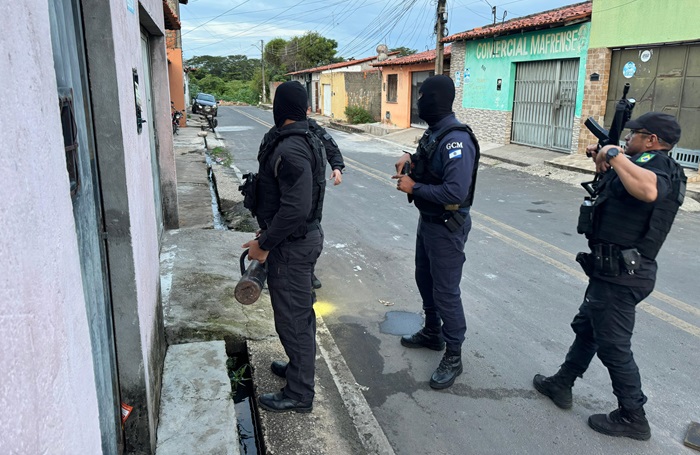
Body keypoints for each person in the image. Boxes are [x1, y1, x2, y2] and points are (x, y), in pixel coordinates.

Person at [533, 112, 686, 440]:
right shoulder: (640, 164)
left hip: (623, 275)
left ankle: (633, 416)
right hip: (611, 271)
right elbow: (611, 195)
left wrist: (614, 153)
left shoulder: (656, 166)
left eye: (635, 135)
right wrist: (605, 161)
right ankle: (562, 383)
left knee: (614, 346)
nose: (628, 139)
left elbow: (648, 190)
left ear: (652, 141)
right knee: (588, 329)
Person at [243, 81, 326, 413]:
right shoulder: (302, 139)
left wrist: (264, 243)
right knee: (298, 316)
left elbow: (295, 209)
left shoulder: (291, 149)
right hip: (295, 242)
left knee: (293, 321)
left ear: (281, 109)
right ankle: (297, 369)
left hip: (293, 247)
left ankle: (300, 393)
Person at [394, 75, 480, 390]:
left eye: (422, 96)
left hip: (447, 226)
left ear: (436, 99)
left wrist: (414, 186)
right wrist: (411, 159)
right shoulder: (435, 133)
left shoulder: (456, 139)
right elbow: (430, 163)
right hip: (429, 221)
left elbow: (455, 191)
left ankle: (454, 355)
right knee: (424, 278)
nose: (418, 102)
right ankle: (432, 332)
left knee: (446, 291)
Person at [257, 106, 345, 291]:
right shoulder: (276, 134)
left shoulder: (311, 129)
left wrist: (337, 167)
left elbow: (331, 146)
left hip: (308, 200)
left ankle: (305, 273)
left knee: (306, 231)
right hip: (283, 205)